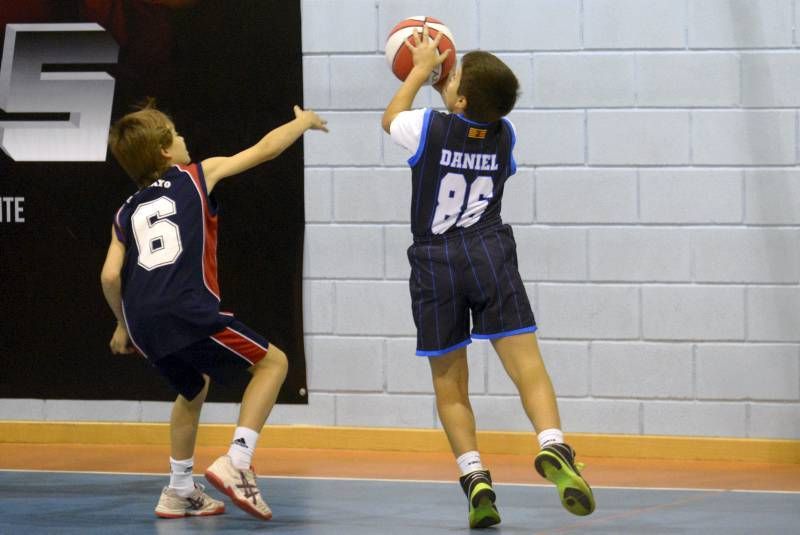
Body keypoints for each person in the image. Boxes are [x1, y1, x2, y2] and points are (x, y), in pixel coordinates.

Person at [381, 27, 595, 528]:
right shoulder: (505, 133)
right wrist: (450, 86)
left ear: (460, 97)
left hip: (435, 262)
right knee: (528, 366)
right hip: (488, 251)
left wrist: (418, 69)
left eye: (451, 76)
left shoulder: (428, 128)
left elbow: (391, 118)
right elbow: (471, 118)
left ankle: (475, 478)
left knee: (450, 384)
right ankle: (553, 445)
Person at [101, 101, 327, 520]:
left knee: (193, 388)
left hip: (144, 324)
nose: (185, 139)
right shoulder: (196, 176)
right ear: (167, 152)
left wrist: (122, 324)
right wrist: (301, 123)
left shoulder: (125, 210)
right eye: (177, 134)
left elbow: (111, 276)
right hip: (186, 309)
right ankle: (238, 460)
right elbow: (264, 150)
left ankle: (179, 489)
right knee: (274, 364)